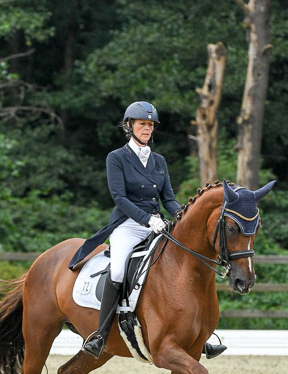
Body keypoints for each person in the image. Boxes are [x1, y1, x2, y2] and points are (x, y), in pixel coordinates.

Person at [69, 100, 226, 360]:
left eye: (151, 125)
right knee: (118, 269)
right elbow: (119, 197)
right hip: (127, 226)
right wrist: (146, 219)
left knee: (185, 266)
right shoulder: (116, 158)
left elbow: (170, 199)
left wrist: (184, 217)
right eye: (142, 124)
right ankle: (100, 334)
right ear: (129, 126)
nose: (147, 129)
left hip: (158, 225)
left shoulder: (159, 161)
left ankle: (199, 335)